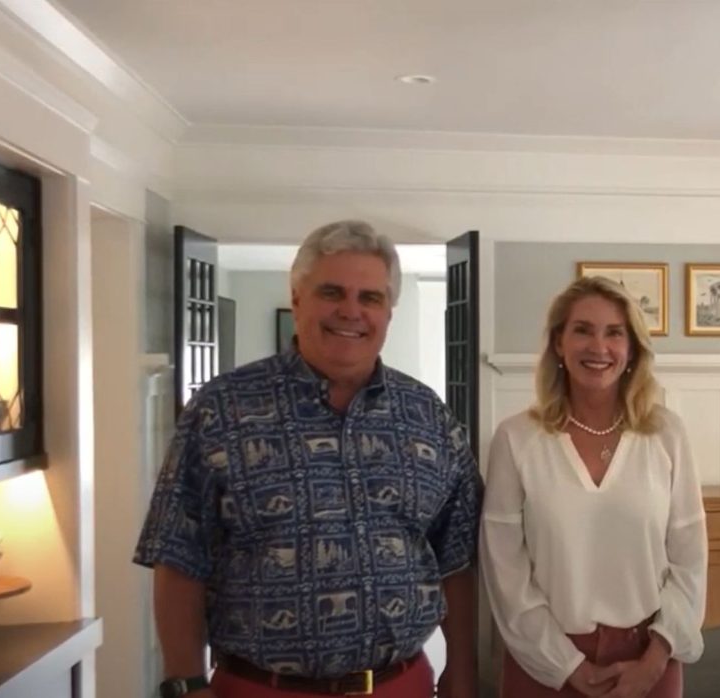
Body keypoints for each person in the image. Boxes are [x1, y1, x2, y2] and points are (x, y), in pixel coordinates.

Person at [134, 220, 482, 698]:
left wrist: (462, 670)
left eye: (370, 297)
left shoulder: (429, 415)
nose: (351, 311)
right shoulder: (221, 409)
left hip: (401, 685)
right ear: (297, 298)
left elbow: (456, 559)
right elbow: (178, 556)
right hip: (260, 689)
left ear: (388, 312)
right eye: (332, 292)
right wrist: (187, 683)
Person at [480, 276, 707, 698]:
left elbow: (690, 558)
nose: (598, 347)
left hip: (649, 660)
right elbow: (505, 571)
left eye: (614, 333)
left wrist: (655, 658)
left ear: (632, 348)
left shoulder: (666, 434)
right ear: (559, 343)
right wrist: (566, 665)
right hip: (544, 663)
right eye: (582, 330)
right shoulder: (516, 439)